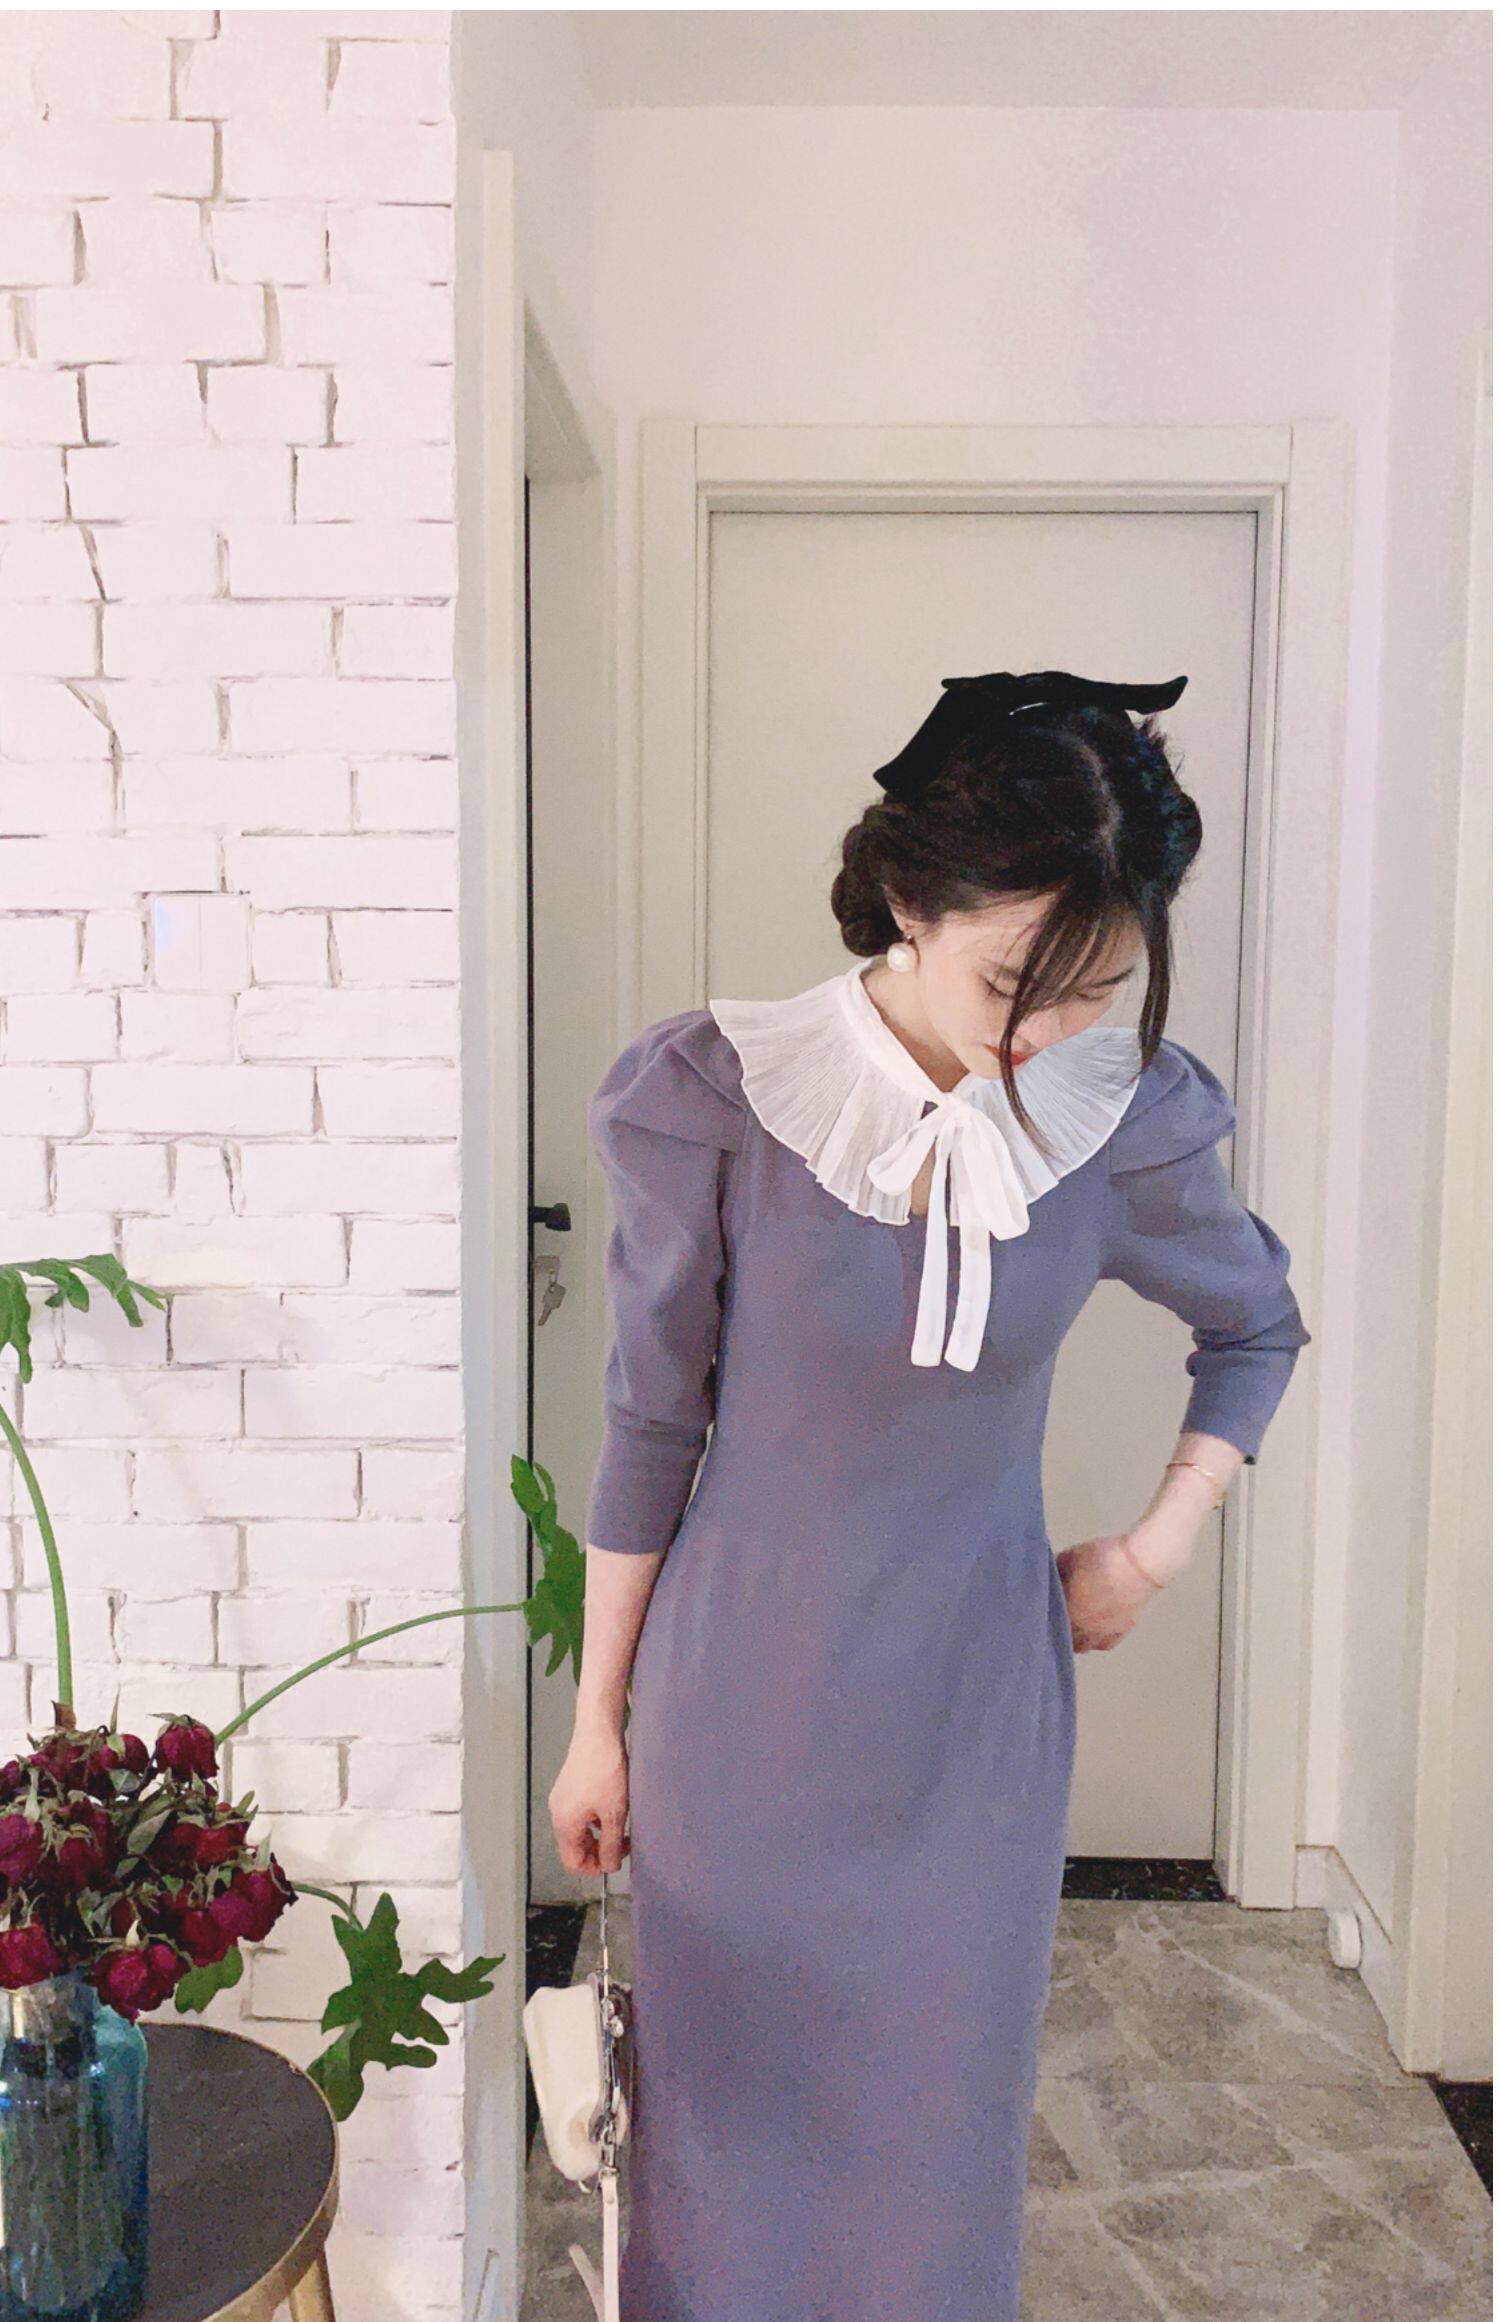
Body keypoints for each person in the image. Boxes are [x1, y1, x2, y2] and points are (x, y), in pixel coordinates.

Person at [550, 668, 1312, 2321]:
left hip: (973, 1726)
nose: (1046, 1035)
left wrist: (1152, 1550)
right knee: (722, 2158)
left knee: (935, 2169)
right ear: (908, 903)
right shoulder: (716, 1099)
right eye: (1011, 982)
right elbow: (648, 1425)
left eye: (1098, 988)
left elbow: (1256, 1325)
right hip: (740, 1712)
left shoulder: (1116, 1119)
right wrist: (597, 1720)